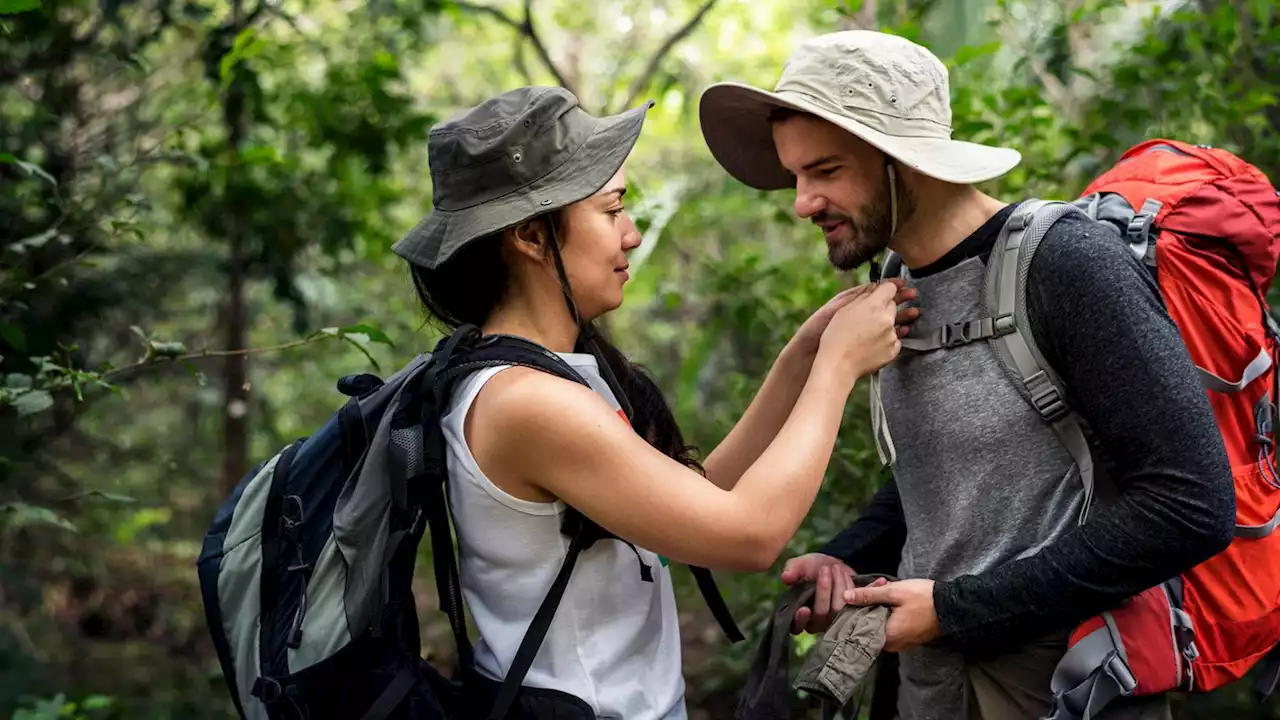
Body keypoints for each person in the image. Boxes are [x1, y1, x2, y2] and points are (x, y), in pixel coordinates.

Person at [697, 30, 1236, 720]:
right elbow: (952, 482)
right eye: (798, 176)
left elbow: (1191, 505)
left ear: (903, 162)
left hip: (1070, 687)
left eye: (825, 172)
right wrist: (846, 556)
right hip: (935, 691)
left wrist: (954, 610)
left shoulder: (1066, 265)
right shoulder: (894, 288)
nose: (802, 202)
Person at [389, 85, 916, 720]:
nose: (632, 235)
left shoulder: (557, 374)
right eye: (612, 211)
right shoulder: (525, 402)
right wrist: (838, 367)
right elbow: (746, 535)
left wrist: (802, 357)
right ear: (531, 237)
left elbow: (696, 499)